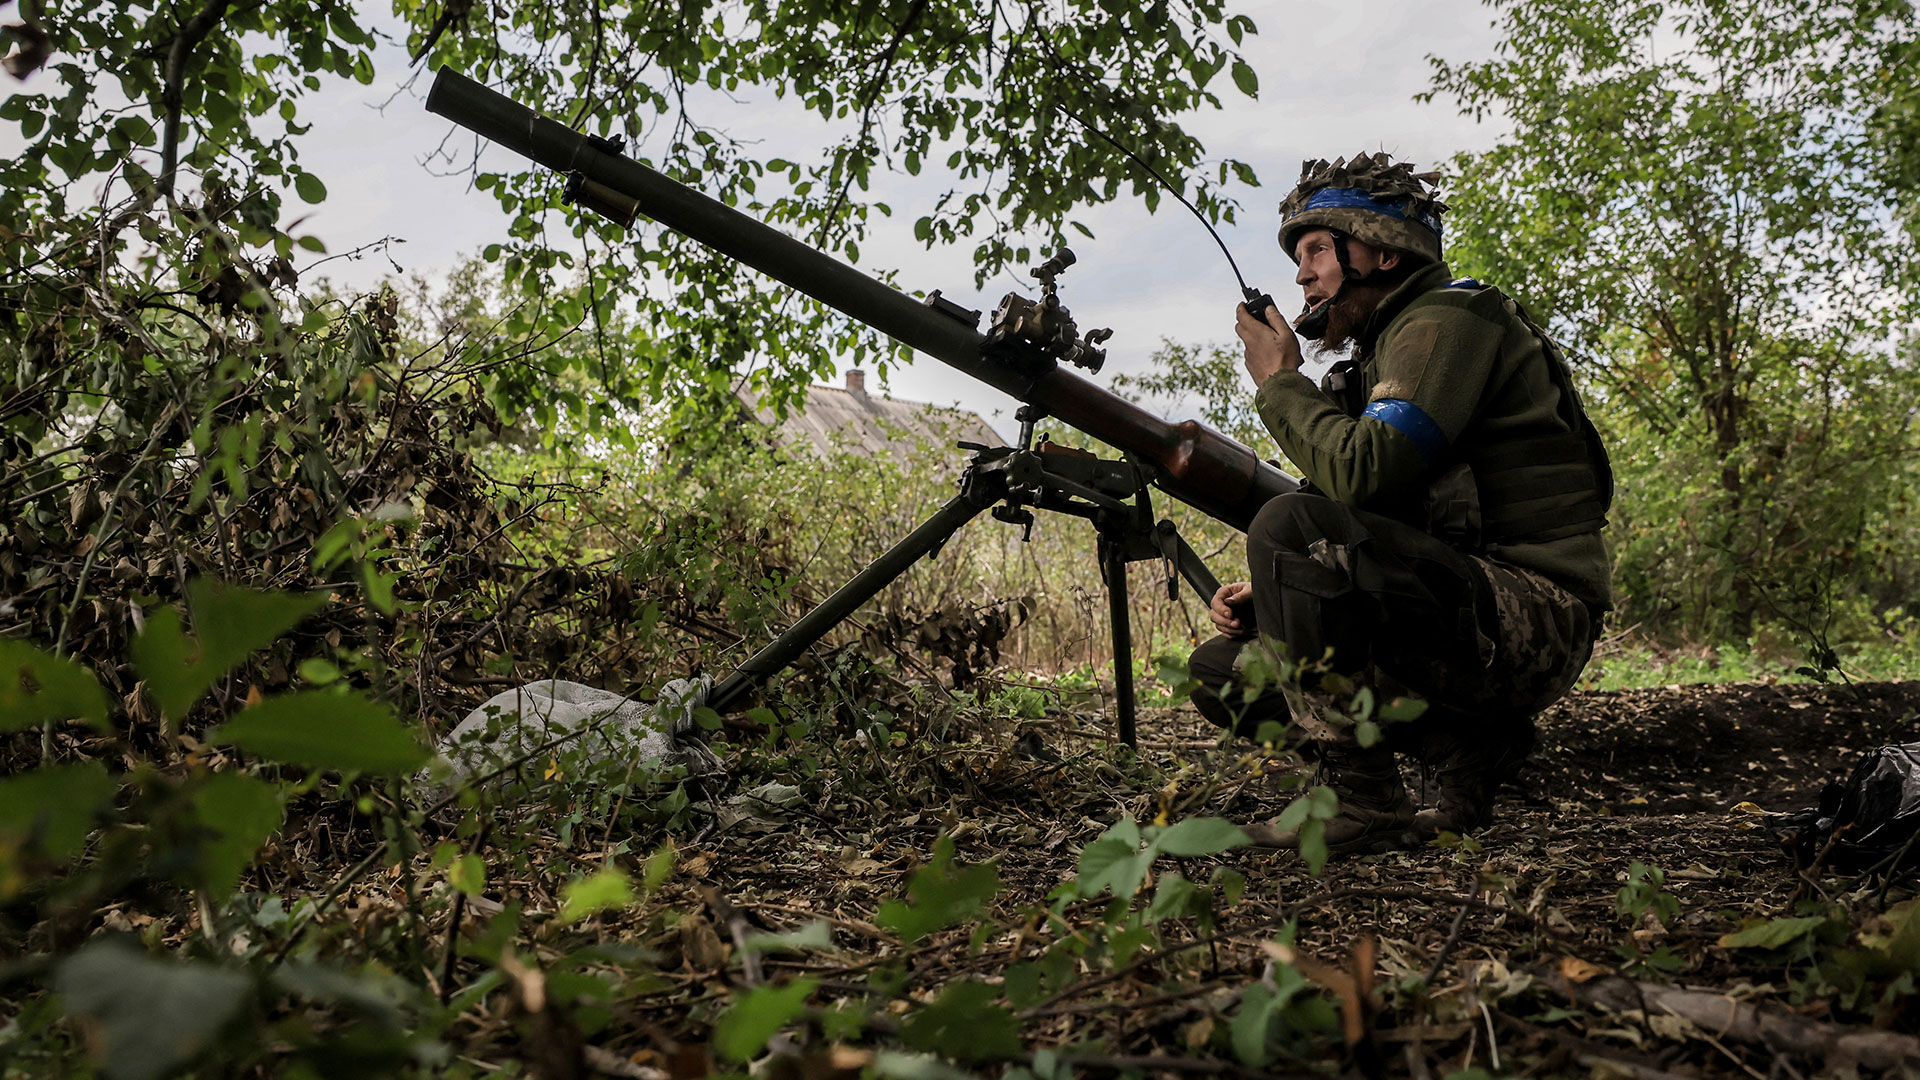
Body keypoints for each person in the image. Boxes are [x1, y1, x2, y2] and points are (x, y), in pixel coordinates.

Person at [1187, 152, 1613, 855]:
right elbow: (1357, 527)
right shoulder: (1379, 359)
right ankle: (1466, 750)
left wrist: (1280, 384)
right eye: (1300, 257)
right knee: (1221, 675)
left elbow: (1365, 475)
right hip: (1464, 609)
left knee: (1286, 527)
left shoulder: (1449, 321)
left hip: (1537, 613)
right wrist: (1272, 597)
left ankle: (1364, 801)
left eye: (1318, 249)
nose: (1302, 274)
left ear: (1381, 252)